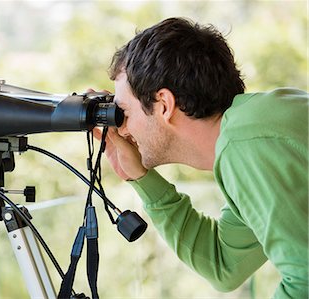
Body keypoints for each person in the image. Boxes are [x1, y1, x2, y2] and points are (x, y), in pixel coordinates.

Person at [94, 17, 308, 298]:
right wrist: (141, 177)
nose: (120, 128)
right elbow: (224, 265)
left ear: (164, 105)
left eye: (124, 113)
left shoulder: (246, 141)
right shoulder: (249, 133)